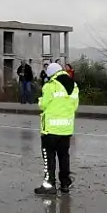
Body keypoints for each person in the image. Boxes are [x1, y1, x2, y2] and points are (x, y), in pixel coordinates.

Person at [35, 62, 79, 195]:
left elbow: (43, 105)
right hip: (66, 129)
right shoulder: (73, 85)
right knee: (64, 156)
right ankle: (65, 183)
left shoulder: (50, 85)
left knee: (49, 157)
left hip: (51, 129)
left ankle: (50, 185)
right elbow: (74, 106)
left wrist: (40, 100)